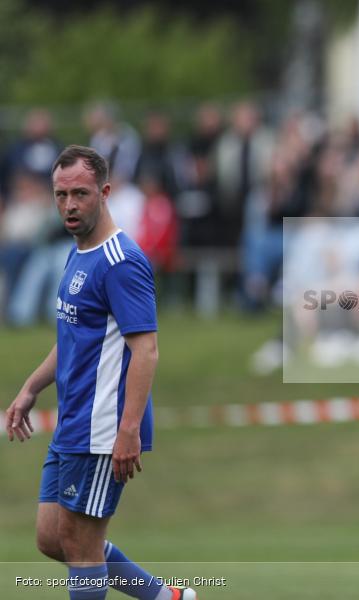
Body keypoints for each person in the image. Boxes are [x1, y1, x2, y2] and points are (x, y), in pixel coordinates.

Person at [5, 146, 196, 600]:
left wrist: (127, 430)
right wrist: (31, 387)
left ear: (105, 192)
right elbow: (75, 337)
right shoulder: (78, 253)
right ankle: (165, 598)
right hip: (73, 422)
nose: (69, 205)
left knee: (81, 546)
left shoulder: (120, 261)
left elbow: (145, 350)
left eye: (80, 194)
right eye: (61, 195)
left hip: (102, 427)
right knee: (53, 538)